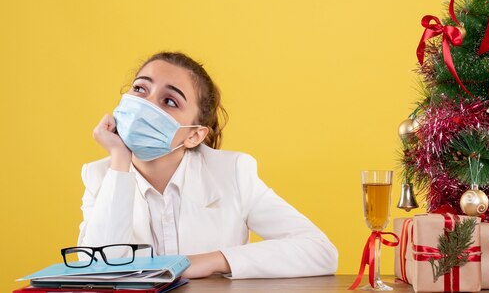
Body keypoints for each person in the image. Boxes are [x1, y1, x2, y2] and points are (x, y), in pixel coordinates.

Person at [77, 51, 338, 279]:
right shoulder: (102, 176)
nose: (146, 103)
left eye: (170, 101)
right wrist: (119, 159)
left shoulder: (232, 172)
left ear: (194, 135)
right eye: (140, 89)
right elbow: (100, 269)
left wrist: (211, 261)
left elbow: (320, 251)